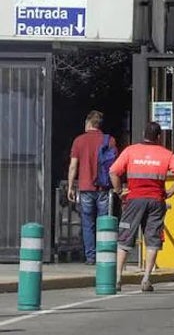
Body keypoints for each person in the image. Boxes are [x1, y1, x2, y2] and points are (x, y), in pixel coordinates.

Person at [109, 121, 174, 292]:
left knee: (125, 237)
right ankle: (146, 279)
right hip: (156, 201)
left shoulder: (131, 151)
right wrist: (170, 192)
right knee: (152, 239)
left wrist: (119, 191)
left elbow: (113, 172)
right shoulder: (166, 154)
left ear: (144, 134)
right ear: (159, 137)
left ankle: (118, 278)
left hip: (134, 200)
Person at [66, 110, 117, 265]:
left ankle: (90, 257)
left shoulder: (79, 141)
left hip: (85, 187)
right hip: (103, 187)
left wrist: (70, 186)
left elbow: (73, 166)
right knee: (103, 222)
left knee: (87, 223)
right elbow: (114, 167)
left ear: (88, 123)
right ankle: (104, 254)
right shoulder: (109, 140)